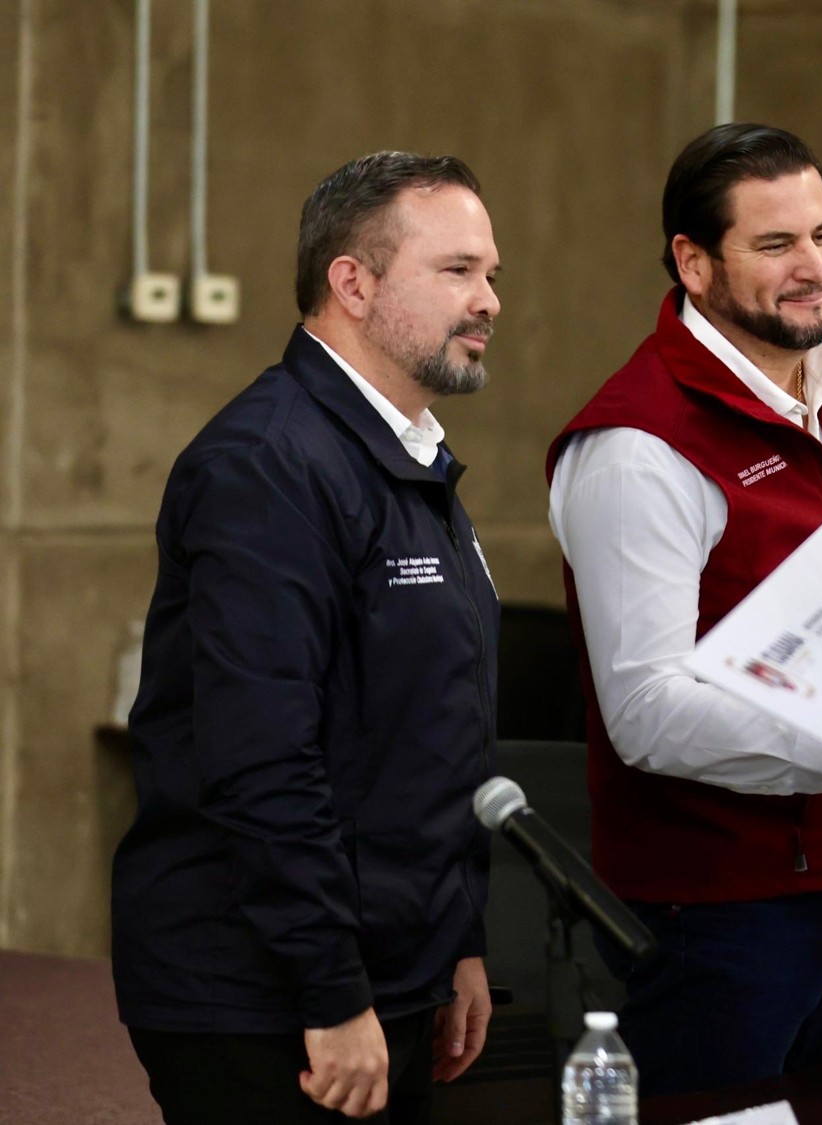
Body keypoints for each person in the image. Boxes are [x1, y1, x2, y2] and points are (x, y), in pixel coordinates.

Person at [545, 123, 822, 1096]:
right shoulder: (638, 450)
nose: (815, 267)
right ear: (694, 262)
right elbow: (646, 710)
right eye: (775, 245)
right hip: (722, 915)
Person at [111, 152, 503, 1124]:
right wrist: (331, 991)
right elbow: (261, 760)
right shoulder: (267, 465)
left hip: (391, 968)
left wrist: (454, 942)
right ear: (352, 284)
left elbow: (428, 735)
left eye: (491, 273)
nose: (488, 301)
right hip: (264, 992)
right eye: (456, 271)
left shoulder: (409, 460)